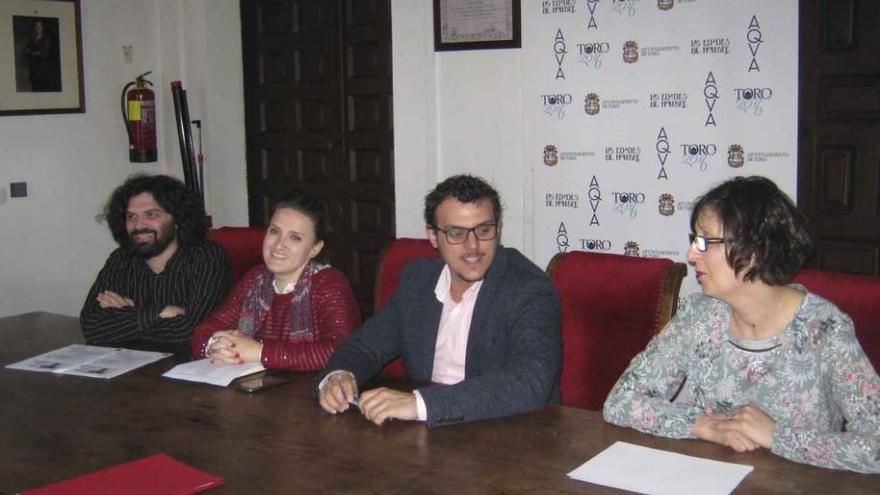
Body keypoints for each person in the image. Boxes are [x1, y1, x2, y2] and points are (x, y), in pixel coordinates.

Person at [603, 176, 880, 473]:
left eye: (704, 241)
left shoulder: (824, 329)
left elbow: (875, 445)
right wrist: (700, 425)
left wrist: (777, 436)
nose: (691, 254)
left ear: (755, 249)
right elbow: (620, 402)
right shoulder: (699, 316)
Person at [317, 174, 562, 427]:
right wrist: (339, 375)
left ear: (498, 230)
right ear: (433, 236)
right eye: (456, 233)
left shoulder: (529, 288)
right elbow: (365, 345)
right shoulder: (418, 281)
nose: (473, 246)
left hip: (510, 436)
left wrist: (422, 404)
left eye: (484, 230)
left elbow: (530, 382)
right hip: (428, 436)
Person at [191, 195, 361, 370]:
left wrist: (260, 352)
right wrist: (216, 346)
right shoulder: (255, 279)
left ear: (315, 248)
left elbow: (342, 351)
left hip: (310, 391)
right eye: (274, 231)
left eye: (294, 237)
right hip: (256, 386)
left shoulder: (328, 283)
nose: (279, 245)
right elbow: (202, 333)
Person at [80, 174, 231, 346]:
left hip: (188, 368)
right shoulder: (121, 259)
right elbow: (91, 326)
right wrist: (161, 312)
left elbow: (193, 332)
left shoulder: (208, 257)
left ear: (177, 219)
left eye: (151, 215)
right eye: (131, 217)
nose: (138, 225)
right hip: (130, 366)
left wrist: (127, 315)